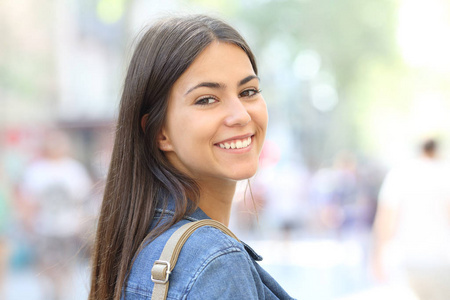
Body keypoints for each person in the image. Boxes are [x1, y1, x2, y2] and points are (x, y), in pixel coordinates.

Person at [88, 15, 294, 300]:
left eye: (248, 92)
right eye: (207, 99)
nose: (241, 115)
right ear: (160, 132)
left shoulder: (138, 248)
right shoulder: (216, 263)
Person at [372, 138, 450, 300]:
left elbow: (386, 220)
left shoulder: (400, 174)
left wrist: (377, 255)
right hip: (442, 260)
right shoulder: (445, 173)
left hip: (407, 259)